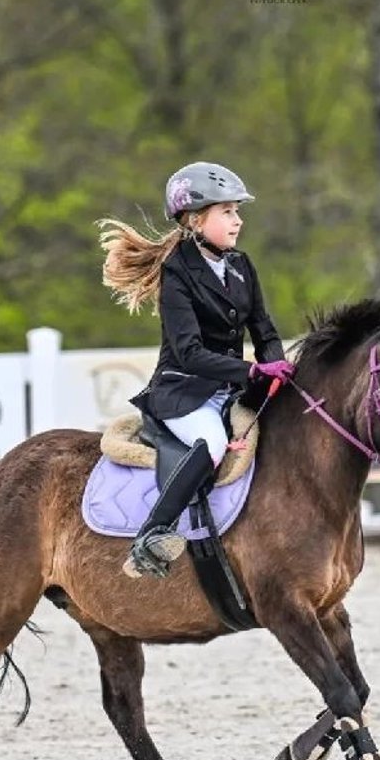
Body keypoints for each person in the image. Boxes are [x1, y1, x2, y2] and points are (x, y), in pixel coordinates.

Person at [99, 161, 295, 579]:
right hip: (183, 391)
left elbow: (264, 329)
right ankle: (152, 534)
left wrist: (275, 362)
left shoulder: (242, 266)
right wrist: (252, 372)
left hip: (234, 390)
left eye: (237, 211)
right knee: (211, 441)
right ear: (195, 219)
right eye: (227, 212)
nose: (238, 220)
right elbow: (188, 353)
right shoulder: (177, 275)